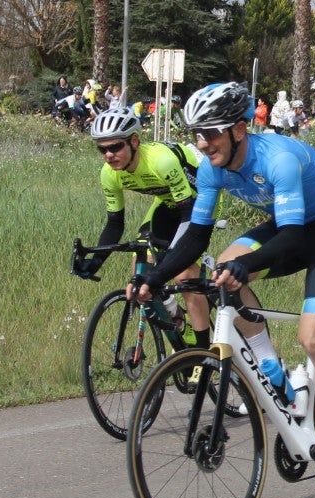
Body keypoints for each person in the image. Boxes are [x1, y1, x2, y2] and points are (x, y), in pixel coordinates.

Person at [128, 82, 315, 498]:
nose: (203, 143)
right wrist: (155, 277)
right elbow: (196, 236)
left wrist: (248, 264)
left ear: (239, 129)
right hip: (288, 225)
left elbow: (293, 237)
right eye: (197, 134)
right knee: (223, 268)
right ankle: (274, 371)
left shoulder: (278, 159)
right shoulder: (211, 168)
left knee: (314, 339)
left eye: (211, 133)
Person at [73, 108, 212, 347]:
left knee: (184, 274)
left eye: (115, 147)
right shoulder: (109, 175)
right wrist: (94, 262)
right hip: (168, 203)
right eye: (102, 149)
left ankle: (203, 352)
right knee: (141, 271)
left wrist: (172, 257)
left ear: (134, 141)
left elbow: (189, 212)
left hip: (200, 201)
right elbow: (115, 224)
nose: (108, 155)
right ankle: (179, 322)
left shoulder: (161, 161)